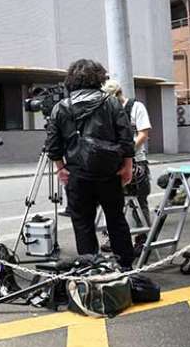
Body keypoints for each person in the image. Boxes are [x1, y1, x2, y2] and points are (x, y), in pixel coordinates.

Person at [45, 59, 135, 269]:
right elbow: (126, 137)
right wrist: (127, 166)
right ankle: (126, 266)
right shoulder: (110, 102)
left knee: (82, 222)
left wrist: (61, 168)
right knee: (116, 219)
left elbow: (53, 144)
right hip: (109, 173)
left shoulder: (61, 108)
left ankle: (90, 267)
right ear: (99, 78)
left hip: (77, 174)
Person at [101, 79, 153, 254]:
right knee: (114, 201)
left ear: (117, 94)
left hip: (137, 161)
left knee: (138, 200)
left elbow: (143, 133)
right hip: (114, 162)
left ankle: (143, 239)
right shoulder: (108, 110)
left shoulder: (137, 107)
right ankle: (115, 237)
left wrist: (127, 151)